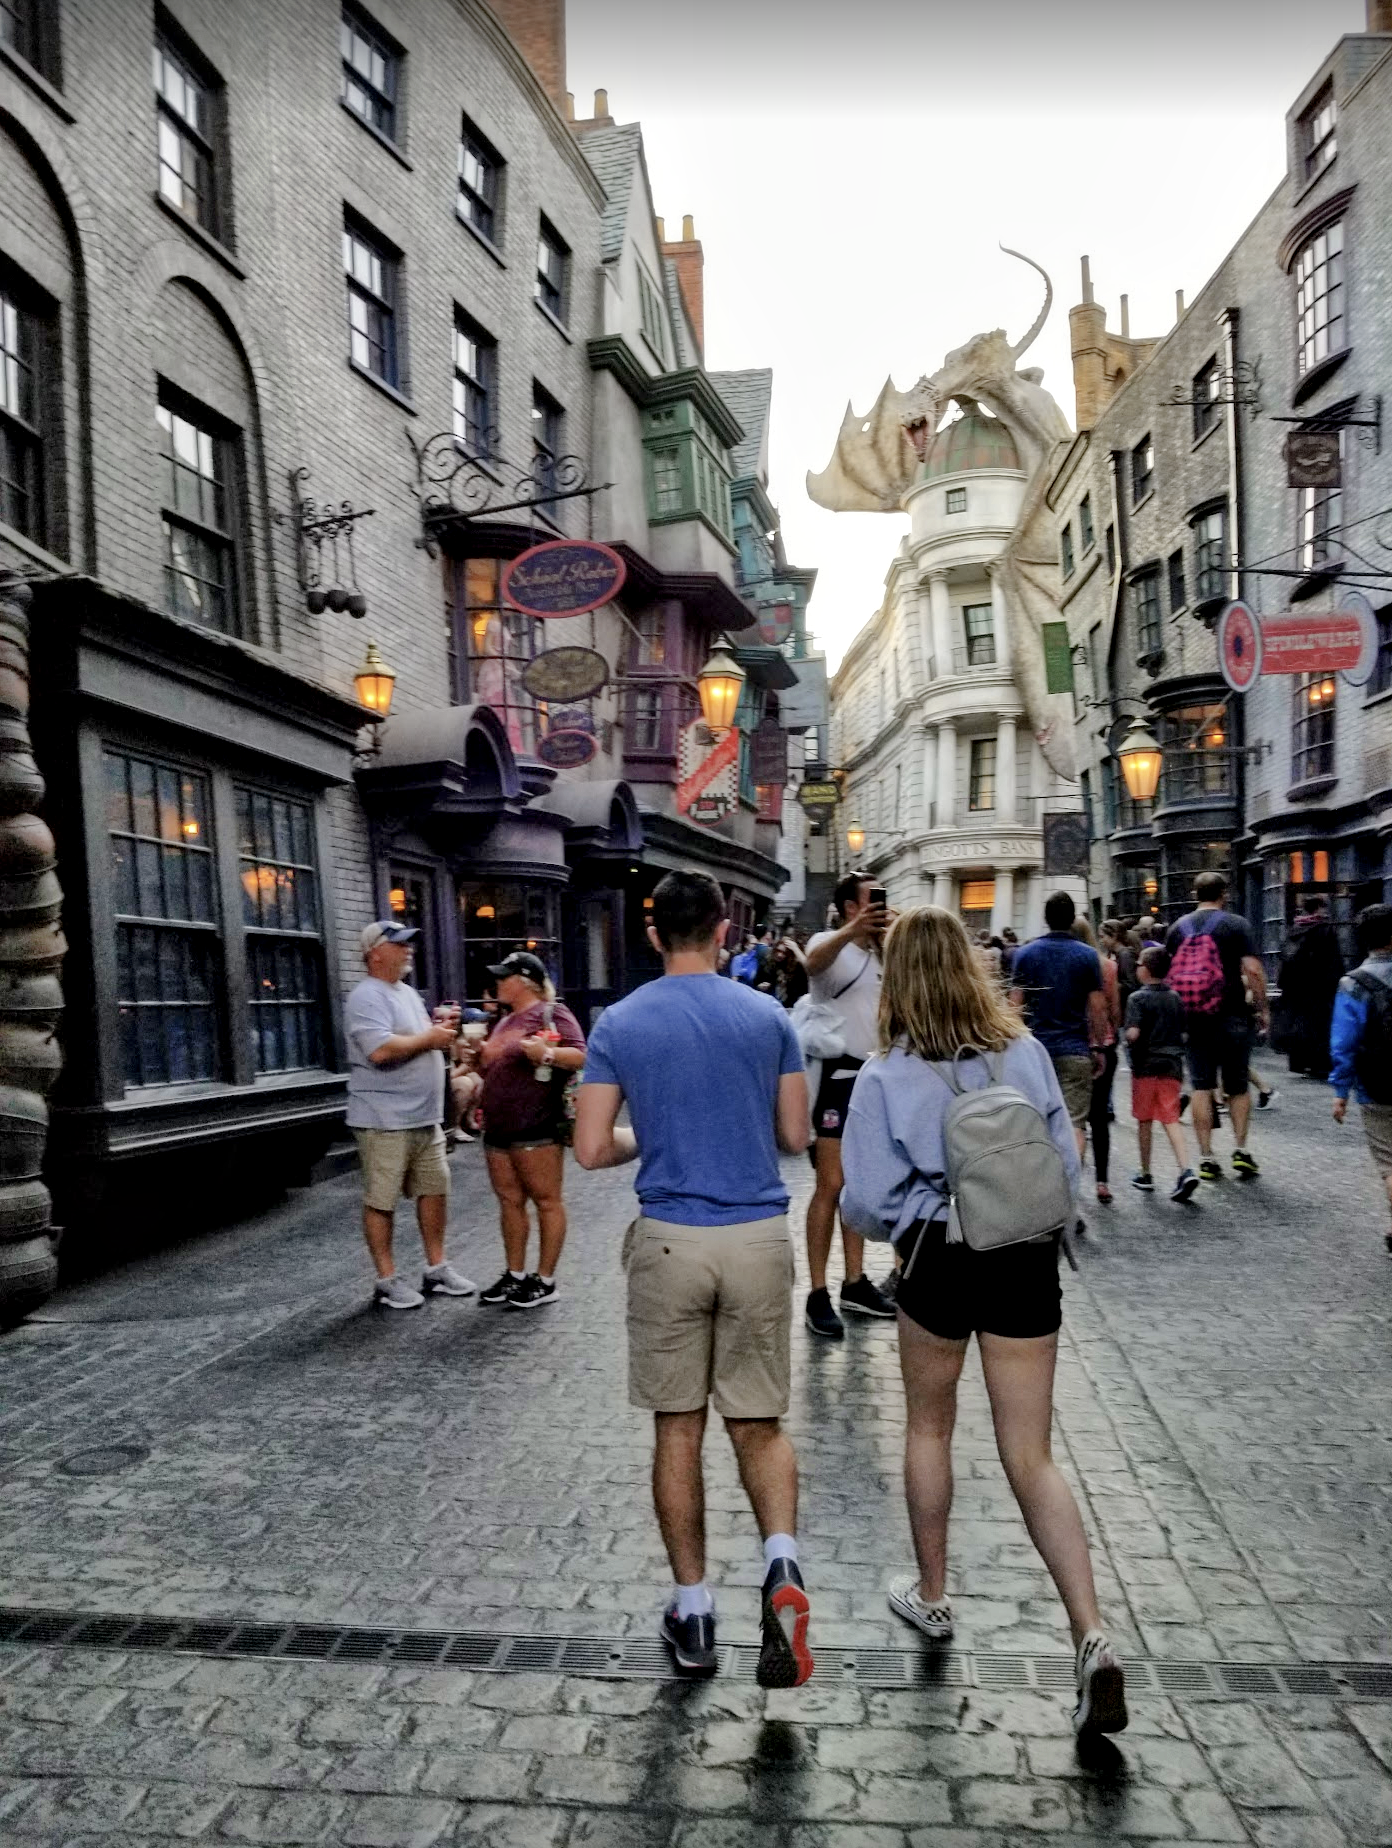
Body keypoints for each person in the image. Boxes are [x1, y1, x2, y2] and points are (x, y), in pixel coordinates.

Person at [840, 905, 1127, 1738]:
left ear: (895, 979)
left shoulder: (885, 1075)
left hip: (939, 1260)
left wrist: (920, 1208)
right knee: (1031, 1454)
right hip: (1025, 1258)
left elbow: (862, 1204)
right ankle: (1090, 1634)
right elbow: (1063, 1165)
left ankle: (932, 1597)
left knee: (929, 1429)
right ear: (972, 970)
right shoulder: (1026, 1052)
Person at [574, 871, 814, 1688]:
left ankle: (696, 1610)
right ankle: (781, 1565)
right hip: (755, 1237)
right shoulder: (769, 1016)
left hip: (671, 1241)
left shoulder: (621, 1023)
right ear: (722, 929)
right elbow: (793, 1136)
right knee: (761, 1423)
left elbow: (591, 1148)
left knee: (678, 1430)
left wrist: (655, 1135)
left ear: (652, 935)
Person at [344, 922, 477, 1310]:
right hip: (383, 1118)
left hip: (423, 1116)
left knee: (435, 1190)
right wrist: (431, 1038)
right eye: (399, 945)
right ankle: (386, 1281)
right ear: (375, 953)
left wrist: (436, 1033)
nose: (409, 951)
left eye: (410, 944)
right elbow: (380, 1051)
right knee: (381, 1199)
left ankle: (437, 1269)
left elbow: (415, 1042)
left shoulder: (405, 993)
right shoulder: (366, 996)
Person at [801, 871, 897, 1337]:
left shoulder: (884, 951)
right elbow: (811, 964)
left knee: (859, 1185)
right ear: (849, 907)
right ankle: (817, 1291)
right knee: (830, 1184)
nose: (878, 906)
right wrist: (851, 933)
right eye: (869, 900)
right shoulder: (832, 942)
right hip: (838, 1076)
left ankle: (854, 1282)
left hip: (875, 1078)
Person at [469, 951, 586, 1311]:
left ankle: (546, 1280)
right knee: (509, 1201)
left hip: (536, 1124)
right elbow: (492, 1067)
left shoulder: (552, 1012)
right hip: (499, 1126)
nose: (497, 983)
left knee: (546, 1200)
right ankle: (515, 1275)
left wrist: (546, 1054)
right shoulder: (504, 1021)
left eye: (503, 977)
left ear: (524, 981)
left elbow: (581, 1055)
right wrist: (476, 1056)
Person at [1165, 873, 1268, 1182]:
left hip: (1193, 1018)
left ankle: (1207, 1158)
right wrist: (1262, 1008)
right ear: (1224, 893)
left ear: (1196, 894)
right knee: (1237, 1085)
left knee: (1201, 1085)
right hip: (1234, 1014)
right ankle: (1240, 1150)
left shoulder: (1177, 928)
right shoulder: (1237, 925)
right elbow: (1252, 969)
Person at [1008, 892, 1109, 1173]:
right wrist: (1098, 1047)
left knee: (1036, 1120)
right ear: (1072, 918)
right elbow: (1097, 1008)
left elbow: (1014, 1007)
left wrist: (1012, 1047)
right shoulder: (1087, 955)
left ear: (1046, 918)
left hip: (1034, 1051)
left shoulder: (1025, 954)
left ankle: (1041, 1189)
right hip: (1074, 1049)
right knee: (1075, 1123)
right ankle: (1070, 1191)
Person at [1331, 903, 1392, 1254]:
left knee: (1388, 1161)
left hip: (1376, 1082)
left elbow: (1344, 1042)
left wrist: (1341, 1091)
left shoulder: (1353, 984)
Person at [1124, 949, 1199, 1202]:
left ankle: (1146, 1173)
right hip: (1172, 1064)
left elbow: (1133, 1034)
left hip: (1145, 1064)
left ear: (1145, 969)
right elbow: (1186, 1034)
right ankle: (1185, 1169)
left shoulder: (1136, 998)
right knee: (1171, 1118)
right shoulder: (1176, 998)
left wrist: (1127, 1038)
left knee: (1144, 1119)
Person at [1074, 918, 1120, 1205]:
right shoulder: (1107, 966)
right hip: (1102, 1045)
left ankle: (1071, 1186)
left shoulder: (1059, 962)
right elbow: (1115, 1009)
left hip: (1070, 1044)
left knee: (1070, 1120)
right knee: (1099, 1118)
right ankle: (1102, 1181)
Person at [1274, 897, 1345, 1080]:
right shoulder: (1325, 930)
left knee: (1300, 1025)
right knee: (1321, 1027)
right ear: (1319, 908)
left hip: (1296, 989)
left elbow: (1285, 960)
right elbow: (1333, 962)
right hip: (1320, 988)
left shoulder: (1294, 930)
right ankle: (1320, 1065)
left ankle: (1300, 1062)